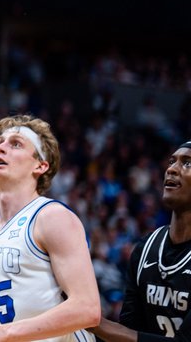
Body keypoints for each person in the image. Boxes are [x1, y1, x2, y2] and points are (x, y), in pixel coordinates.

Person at [0, 114, 100, 342]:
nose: (1, 149)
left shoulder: (52, 217)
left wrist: (5, 332)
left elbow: (88, 309)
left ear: (40, 165)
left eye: (16, 144)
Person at [91, 141, 191, 342]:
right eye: (171, 161)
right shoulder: (146, 248)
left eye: (187, 163)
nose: (171, 169)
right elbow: (129, 330)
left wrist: (96, 324)